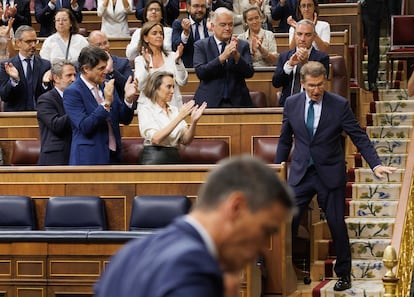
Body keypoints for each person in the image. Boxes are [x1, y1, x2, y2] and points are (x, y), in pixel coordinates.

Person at [94, 154, 295, 297]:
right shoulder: (195, 268)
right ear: (236, 207)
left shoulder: (128, 255)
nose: (261, 248)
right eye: (265, 230)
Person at [274, 61, 397, 291]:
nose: (316, 90)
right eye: (311, 85)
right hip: (301, 172)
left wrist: (375, 164)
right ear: (303, 83)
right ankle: (285, 268)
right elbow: (284, 140)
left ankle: (344, 274)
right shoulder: (291, 104)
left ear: (325, 82)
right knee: (287, 219)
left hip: (329, 173)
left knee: (336, 223)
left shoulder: (339, 105)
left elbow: (358, 136)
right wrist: (275, 170)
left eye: (320, 85)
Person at [63, 45, 138, 165]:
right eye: (101, 68)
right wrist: (106, 103)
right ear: (86, 69)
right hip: (89, 158)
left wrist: (128, 100)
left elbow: (125, 119)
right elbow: (84, 126)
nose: (106, 71)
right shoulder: (72, 92)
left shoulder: (107, 85)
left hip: (114, 156)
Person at [138, 71, 206, 164]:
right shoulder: (146, 109)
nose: (172, 91)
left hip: (174, 157)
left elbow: (186, 140)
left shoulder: (174, 110)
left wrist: (194, 122)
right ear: (155, 88)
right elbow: (156, 139)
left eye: (173, 87)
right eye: (168, 87)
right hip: (154, 159)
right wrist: (179, 117)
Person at [193, 7, 254, 108]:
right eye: (223, 25)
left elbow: (249, 73)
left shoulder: (242, 45)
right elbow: (201, 73)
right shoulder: (201, 45)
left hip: (238, 102)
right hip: (209, 102)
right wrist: (222, 58)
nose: (227, 28)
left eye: (230, 24)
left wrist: (237, 57)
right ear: (212, 26)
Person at [272, 19, 329, 106]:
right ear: (295, 36)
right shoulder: (284, 56)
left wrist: (306, 64)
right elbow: (276, 83)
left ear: (314, 37)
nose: (302, 39)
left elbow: (321, 83)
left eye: (307, 35)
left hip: (313, 104)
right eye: (299, 34)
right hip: (288, 105)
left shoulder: (322, 57)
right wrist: (289, 66)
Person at [135, 22, 187, 109]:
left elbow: (182, 81)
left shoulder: (172, 56)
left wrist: (177, 61)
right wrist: (147, 66)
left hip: (172, 106)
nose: (159, 36)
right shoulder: (140, 60)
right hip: (149, 108)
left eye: (161, 33)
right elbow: (140, 86)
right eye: (154, 33)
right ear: (146, 38)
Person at [0, 25, 51, 111]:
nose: (33, 45)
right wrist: (14, 80)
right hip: (15, 117)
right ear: (17, 43)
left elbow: (50, 97)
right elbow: (4, 96)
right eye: (29, 42)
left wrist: (45, 84)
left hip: (40, 115)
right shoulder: (6, 66)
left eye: (35, 41)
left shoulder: (45, 65)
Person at [36, 60, 76, 165]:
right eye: (69, 75)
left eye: (75, 75)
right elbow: (56, 125)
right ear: (56, 78)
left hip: (77, 153)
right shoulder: (45, 100)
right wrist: (76, 109)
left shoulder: (77, 97)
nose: (74, 79)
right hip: (56, 159)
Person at [88, 30, 134, 99]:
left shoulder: (123, 63)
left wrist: (112, 71)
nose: (103, 47)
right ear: (90, 47)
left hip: (118, 105)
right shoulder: (85, 65)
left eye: (105, 43)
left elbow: (129, 87)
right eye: (99, 45)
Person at [171, 0, 210, 68]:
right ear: (188, 7)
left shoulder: (210, 25)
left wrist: (212, 33)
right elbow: (175, 48)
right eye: (196, 6)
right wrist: (185, 34)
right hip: (187, 69)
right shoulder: (178, 24)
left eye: (203, 6)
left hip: (208, 68)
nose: (200, 9)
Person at [361, 0, 384, 92]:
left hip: (373, 10)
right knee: (353, 44)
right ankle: (355, 79)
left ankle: (372, 81)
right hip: (352, 8)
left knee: (373, 47)